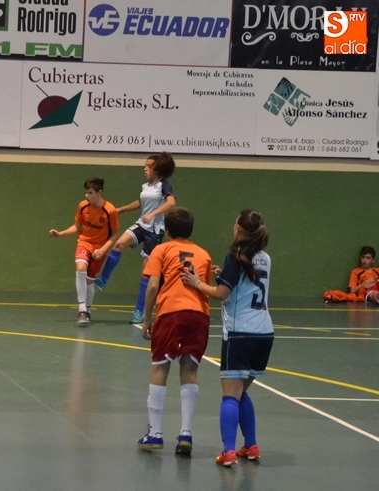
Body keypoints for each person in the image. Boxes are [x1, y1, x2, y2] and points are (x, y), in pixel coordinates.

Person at [180, 209, 273, 466]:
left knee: (231, 395)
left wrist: (197, 283)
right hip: (265, 334)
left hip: (240, 333)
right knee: (241, 392)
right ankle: (251, 446)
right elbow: (246, 283)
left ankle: (228, 451)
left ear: (239, 229)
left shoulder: (236, 255)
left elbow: (222, 294)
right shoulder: (265, 258)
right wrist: (225, 275)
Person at [137, 207, 211, 456]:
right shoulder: (204, 254)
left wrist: (147, 318)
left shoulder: (161, 250)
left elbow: (152, 286)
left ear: (167, 231)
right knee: (190, 369)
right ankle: (186, 433)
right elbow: (204, 286)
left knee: (160, 367)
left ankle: (155, 433)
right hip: (199, 314)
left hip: (171, 312)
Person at [94, 152, 177, 324]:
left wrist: (152, 214)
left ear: (157, 169)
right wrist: (122, 209)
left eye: (149, 166)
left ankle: (139, 310)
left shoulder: (163, 186)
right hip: (141, 225)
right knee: (119, 244)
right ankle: (103, 280)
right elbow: (141, 202)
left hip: (154, 231)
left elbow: (171, 203)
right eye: (145, 165)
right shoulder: (146, 186)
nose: (145, 169)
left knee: (146, 271)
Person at [49, 177, 120, 327]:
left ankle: (88, 311)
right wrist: (60, 234)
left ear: (99, 193)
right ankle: (82, 310)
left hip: (100, 249)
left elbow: (115, 234)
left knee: (89, 281)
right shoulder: (83, 206)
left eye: (90, 193)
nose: (87, 196)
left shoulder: (110, 211)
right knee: (81, 268)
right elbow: (76, 227)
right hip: (84, 243)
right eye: (86, 192)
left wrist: (103, 249)